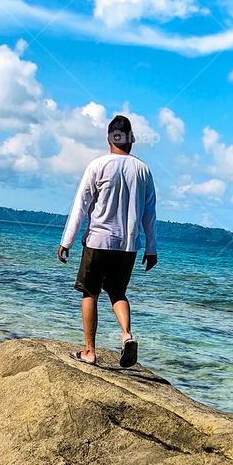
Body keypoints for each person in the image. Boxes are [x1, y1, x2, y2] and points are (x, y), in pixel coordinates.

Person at [57, 114, 157, 367]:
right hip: (128, 245)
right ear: (131, 140)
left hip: (98, 241)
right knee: (118, 293)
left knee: (90, 293)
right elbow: (149, 214)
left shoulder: (97, 165)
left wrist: (66, 241)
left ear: (110, 138)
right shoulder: (143, 170)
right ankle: (126, 335)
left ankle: (89, 351)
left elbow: (81, 206)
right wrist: (151, 248)